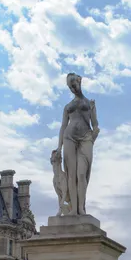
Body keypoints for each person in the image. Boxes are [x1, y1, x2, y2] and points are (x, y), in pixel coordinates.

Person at [55, 73, 100, 215]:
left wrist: (93, 138)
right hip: (69, 137)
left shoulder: (90, 103)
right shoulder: (67, 106)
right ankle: (74, 208)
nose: (72, 88)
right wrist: (59, 146)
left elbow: (95, 125)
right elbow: (63, 126)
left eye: (73, 85)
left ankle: (81, 207)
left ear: (79, 81)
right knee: (71, 175)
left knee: (81, 174)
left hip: (86, 137)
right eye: (70, 87)